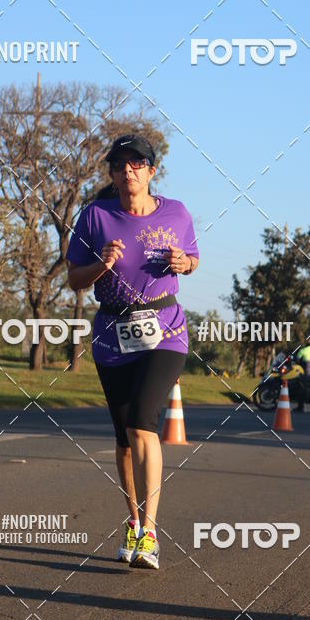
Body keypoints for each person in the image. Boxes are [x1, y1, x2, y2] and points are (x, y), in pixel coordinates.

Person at [66, 133, 199, 569]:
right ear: (113, 173)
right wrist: (101, 264)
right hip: (112, 332)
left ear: (151, 170)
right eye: (121, 164)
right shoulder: (95, 217)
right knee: (124, 439)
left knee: (144, 422)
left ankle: (151, 535)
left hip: (166, 329)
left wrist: (186, 264)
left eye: (138, 163)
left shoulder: (176, 212)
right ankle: (133, 521)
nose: (130, 171)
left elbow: (193, 258)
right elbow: (74, 279)